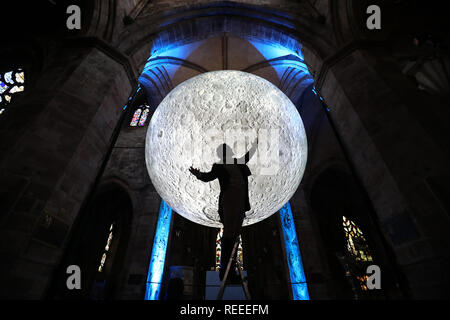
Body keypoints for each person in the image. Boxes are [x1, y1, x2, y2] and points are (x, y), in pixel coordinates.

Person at [189, 139, 258, 282]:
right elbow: (208, 177)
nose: (231, 152)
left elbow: (247, 157)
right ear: (223, 154)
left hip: (240, 200)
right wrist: (198, 174)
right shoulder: (219, 166)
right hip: (229, 198)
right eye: (228, 151)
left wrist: (254, 147)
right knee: (229, 232)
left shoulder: (238, 163)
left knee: (235, 232)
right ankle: (225, 272)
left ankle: (230, 271)